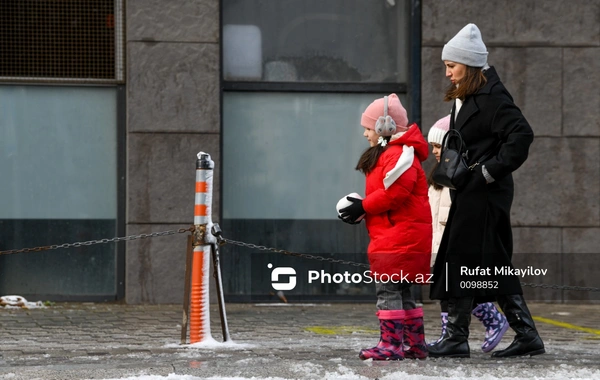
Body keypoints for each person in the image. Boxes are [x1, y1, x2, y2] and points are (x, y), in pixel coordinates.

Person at [428, 23, 545, 359]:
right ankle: (524, 334)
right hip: (472, 192)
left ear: (469, 64)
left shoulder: (492, 98)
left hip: (486, 194)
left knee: (467, 259)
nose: (448, 73)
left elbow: (521, 136)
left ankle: (457, 338)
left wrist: (490, 171)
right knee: (488, 263)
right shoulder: (469, 94)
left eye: (451, 66)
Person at [338, 93, 432, 360]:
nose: (365, 133)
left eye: (368, 127)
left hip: (398, 238)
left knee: (388, 291)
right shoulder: (395, 154)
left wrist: (363, 207)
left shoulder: (400, 155)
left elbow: (394, 194)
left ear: (385, 126)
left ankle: (390, 345)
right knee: (403, 293)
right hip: (397, 236)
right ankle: (415, 345)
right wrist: (362, 207)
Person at [426, 115, 509, 353]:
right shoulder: (439, 176)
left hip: (453, 239)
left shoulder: (459, 175)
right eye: (432, 146)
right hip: (439, 239)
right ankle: (448, 335)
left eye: (438, 146)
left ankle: (493, 319)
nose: (434, 151)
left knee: (459, 290)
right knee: (446, 292)